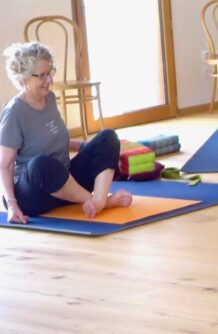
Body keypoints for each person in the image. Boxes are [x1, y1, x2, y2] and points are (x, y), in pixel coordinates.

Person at [1, 42, 131, 224]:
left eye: (50, 73)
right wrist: (12, 204)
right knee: (41, 163)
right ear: (23, 79)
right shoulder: (14, 112)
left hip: (66, 185)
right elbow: (4, 165)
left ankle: (98, 200)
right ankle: (104, 202)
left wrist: (91, 148)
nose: (49, 81)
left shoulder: (49, 99)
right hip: (32, 195)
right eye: (42, 76)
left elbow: (52, 136)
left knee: (108, 137)